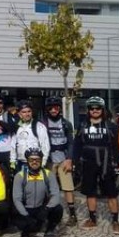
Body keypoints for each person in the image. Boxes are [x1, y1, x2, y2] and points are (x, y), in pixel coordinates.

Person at [73, 96, 119, 234]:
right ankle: (92, 219)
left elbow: (116, 147)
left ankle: (115, 221)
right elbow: (77, 145)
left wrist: (117, 163)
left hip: (106, 163)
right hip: (88, 163)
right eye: (92, 108)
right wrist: (73, 161)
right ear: (88, 110)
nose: (95, 110)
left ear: (102, 109)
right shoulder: (83, 125)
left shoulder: (111, 126)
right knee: (90, 192)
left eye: (98, 108)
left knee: (111, 193)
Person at [40, 96, 78, 227]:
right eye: (50, 108)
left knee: (68, 187)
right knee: (49, 188)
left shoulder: (66, 123)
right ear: (47, 109)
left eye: (56, 107)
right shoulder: (43, 123)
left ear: (60, 108)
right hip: (49, 159)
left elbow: (71, 142)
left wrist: (70, 159)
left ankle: (72, 214)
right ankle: (50, 212)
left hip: (63, 159)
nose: (53, 110)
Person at [12, 148, 62, 237]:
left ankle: (49, 231)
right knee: (26, 226)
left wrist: (47, 209)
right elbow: (17, 199)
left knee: (58, 209)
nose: (34, 162)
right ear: (27, 161)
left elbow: (56, 195)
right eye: (31, 159)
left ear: (41, 160)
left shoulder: (48, 174)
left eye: (37, 159)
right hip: (26, 209)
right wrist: (26, 215)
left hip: (41, 208)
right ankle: (31, 227)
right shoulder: (20, 176)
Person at [10, 100, 50, 172]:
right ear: (19, 114)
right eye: (24, 112)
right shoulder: (17, 127)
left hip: (36, 163)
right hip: (20, 163)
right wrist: (12, 162)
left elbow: (45, 146)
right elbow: (13, 146)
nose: (27, 114)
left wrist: (43, 163)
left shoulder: (39, 126)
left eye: (29, 111)